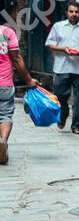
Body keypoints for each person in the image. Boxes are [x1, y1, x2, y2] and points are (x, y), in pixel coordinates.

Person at [45, 1, 79, 135]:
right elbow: (49, 44)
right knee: (59, 97)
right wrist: (64, 49)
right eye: (71, 11)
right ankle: (63, 116)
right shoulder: (58, 26)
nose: (74, 14)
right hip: (61, 68)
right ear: (67, 13)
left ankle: (76, 125)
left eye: (76, 12)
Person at [0, 20, 41, 164]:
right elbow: (16, 59)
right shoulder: (6, 32)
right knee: (5, 115)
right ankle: (3, 140)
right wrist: (29, 80)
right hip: (3, 83)